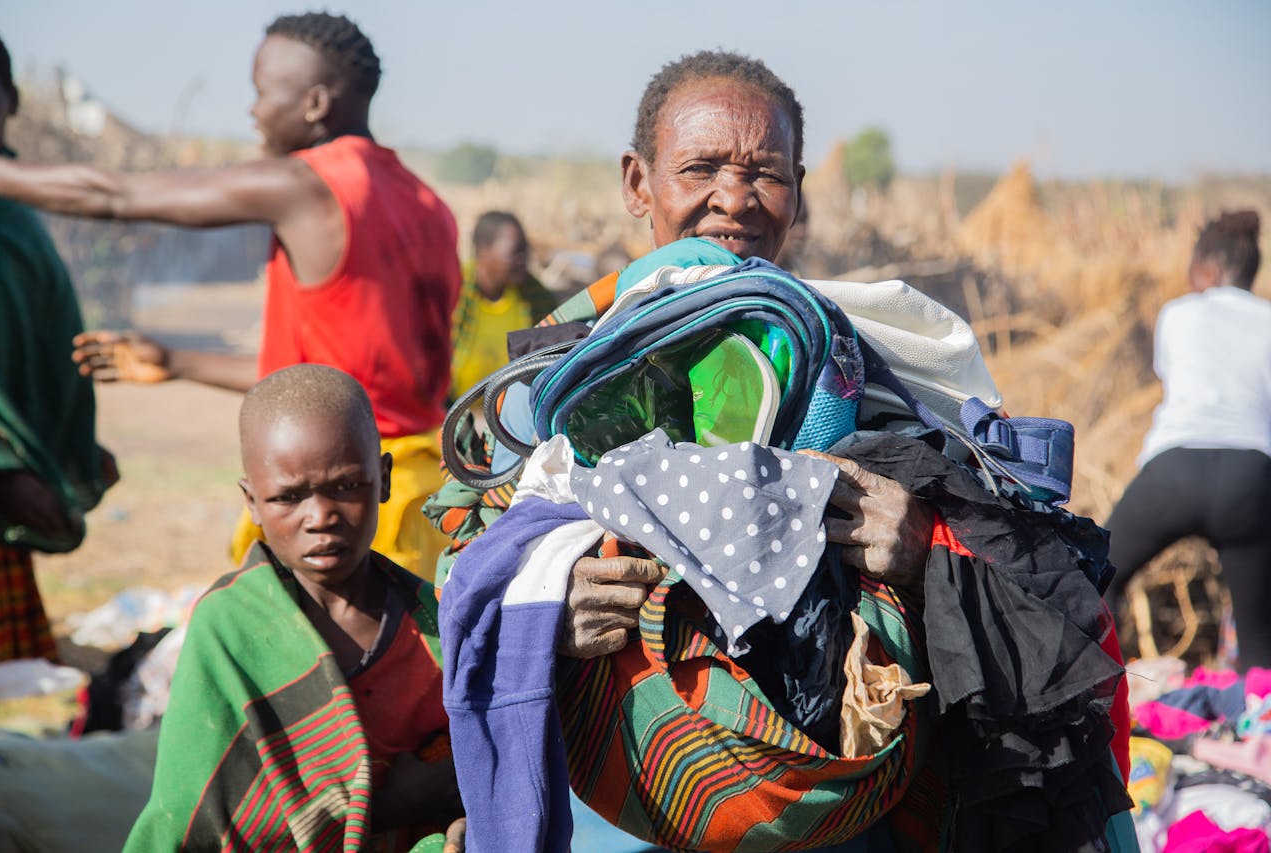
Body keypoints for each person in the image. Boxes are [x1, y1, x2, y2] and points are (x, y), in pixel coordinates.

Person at [430, 50, 1135, 853]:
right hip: (616, 820)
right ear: (638, 183)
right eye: (700, 167)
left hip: (844, 826)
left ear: (798, 191)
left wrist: (923, 550)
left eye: (764, 173)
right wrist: (546, 604)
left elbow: (1043, 583)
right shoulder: (554, 383)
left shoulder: (888, 364)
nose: (734, 198)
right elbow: (461, 572)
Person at [0, 12, 460, 581]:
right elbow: (338, 376)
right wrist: (175, 361)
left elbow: (111, 195)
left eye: (262, 92)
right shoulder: (428, 204)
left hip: (331, 500)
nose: (253, 111)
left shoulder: (307, 184)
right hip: (410, 492)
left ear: (313, 104)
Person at [125, 364, 465, 851]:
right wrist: (390, 804)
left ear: (384, 479)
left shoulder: (434, 627)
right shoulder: (230, 629)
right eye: (288, 497)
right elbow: (192, 824)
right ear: (252, 502)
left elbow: (480, 781)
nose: (320, 517)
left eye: (346, 486)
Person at [0, 29, 116, 663]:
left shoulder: (16, 215)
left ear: (8, 99)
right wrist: (2, 471)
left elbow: (27, 350)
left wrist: (66, 445)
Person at [1106, 210, 1271, 667]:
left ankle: (1099, 696)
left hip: (1174, 472)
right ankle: (1258, 723)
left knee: (1100, 576)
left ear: (1209, 269)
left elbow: (1174, 377)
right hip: (1249, 479)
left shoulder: (1177, 313)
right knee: (1260, 634)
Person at [449, 211, 557, 402]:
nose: (523, 260)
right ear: (484, 251)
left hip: (510, 416)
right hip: (452, 412)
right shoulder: (455, 291)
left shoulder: (535, 298)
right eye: (515, 252)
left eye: (525, 251)